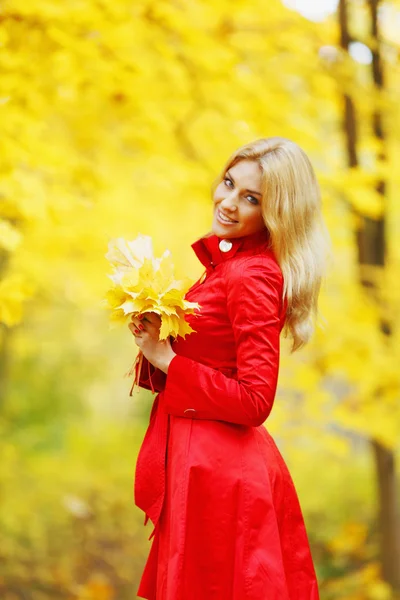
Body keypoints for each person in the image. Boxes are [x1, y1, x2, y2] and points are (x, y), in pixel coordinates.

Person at [129, 137, 329, 599]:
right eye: (229, 183)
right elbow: (210, 360)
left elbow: (256, 400)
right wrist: (157, 342)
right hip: (199, 464)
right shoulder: (226, 266)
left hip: (221, 477)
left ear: (276, 212)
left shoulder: (252, 274)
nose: (229, 202)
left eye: (251, 198)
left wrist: (168, 359)